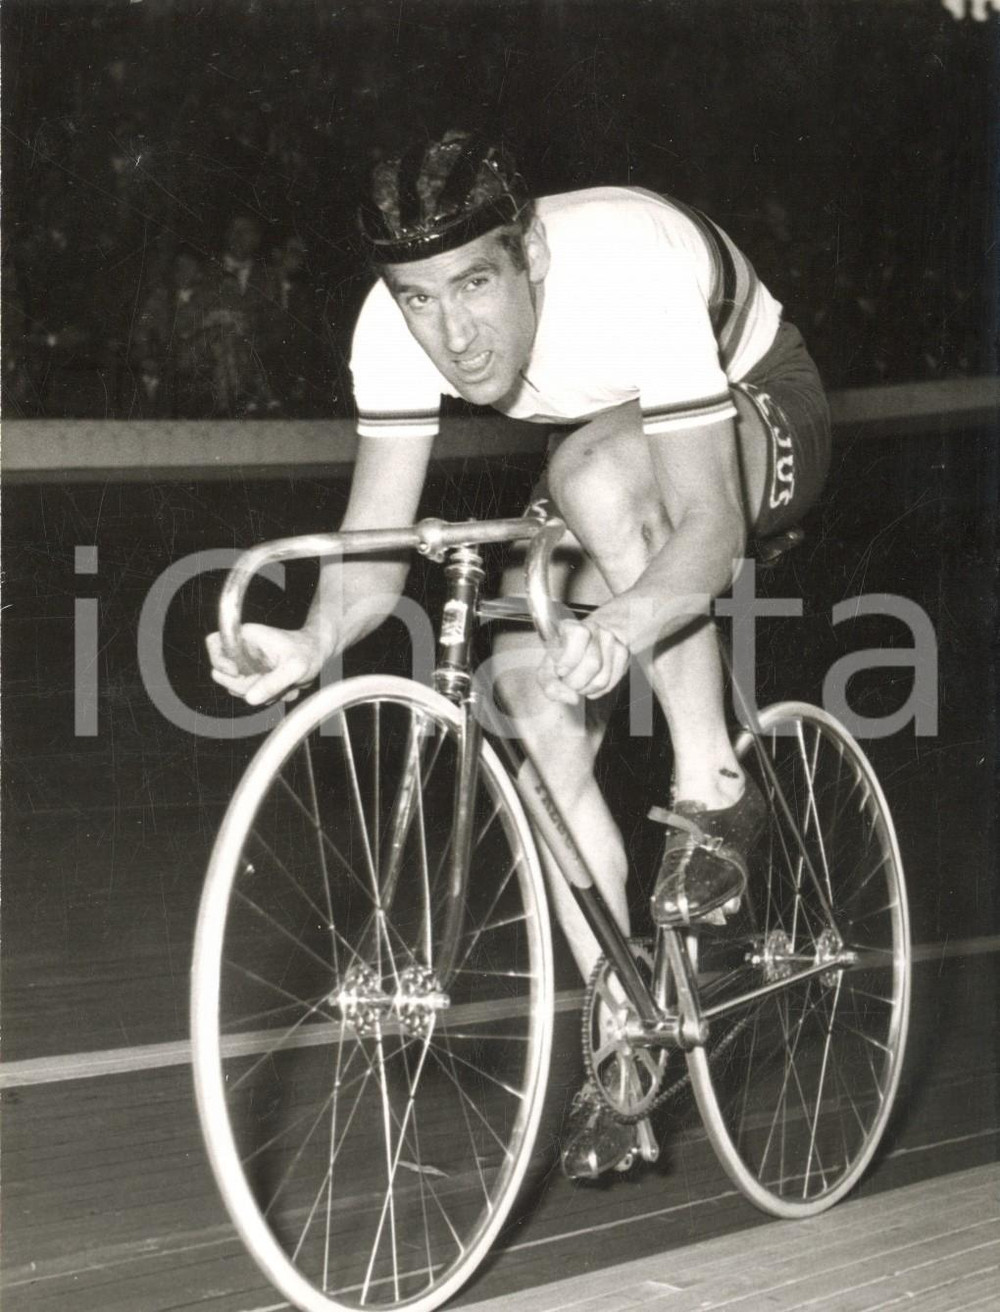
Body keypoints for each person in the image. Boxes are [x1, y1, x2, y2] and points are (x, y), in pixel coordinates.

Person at [207, 129, 831, 1179]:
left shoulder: (626, 267)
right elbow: (372, 557)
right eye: (418, 298)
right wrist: (310, 638)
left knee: (587, 471)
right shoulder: (390, 329)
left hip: (755, 400)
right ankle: (625, 1031)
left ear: (530, 254)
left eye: (476, 284)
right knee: (526, 691)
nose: (453, 334)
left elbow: (707, 528)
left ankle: (714, 782)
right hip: (610, 448)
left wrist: (623, 626)